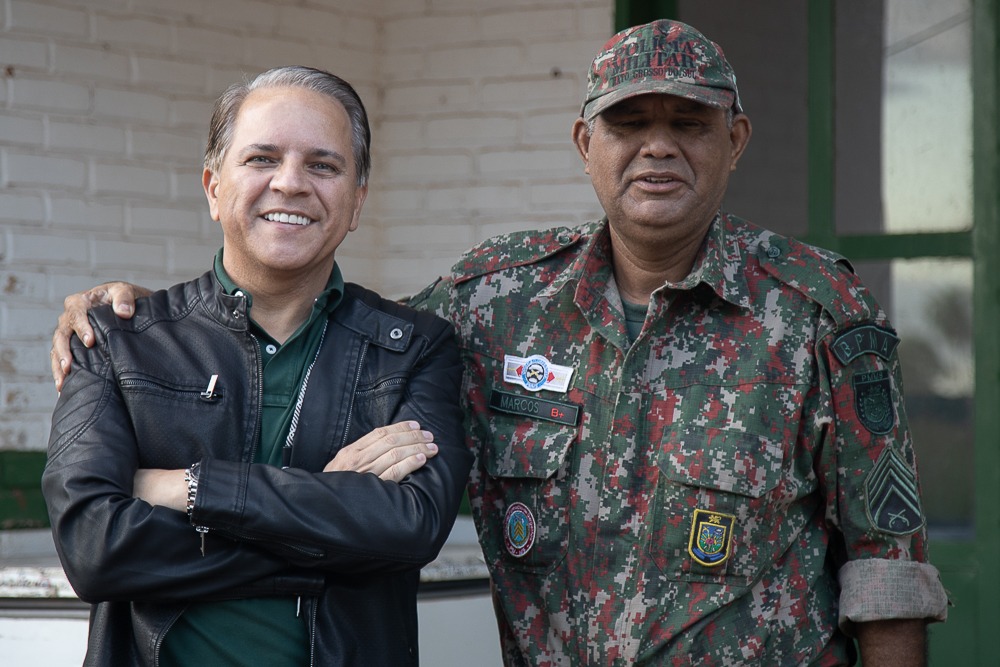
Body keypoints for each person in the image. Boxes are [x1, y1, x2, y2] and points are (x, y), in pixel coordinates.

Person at [51, 20, 948, 666]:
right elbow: (306, 307)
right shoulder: (496, 300)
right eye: (631, 125)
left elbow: (887, 566)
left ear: (736, 140)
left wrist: (186, 489)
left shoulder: (818, 312)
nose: (658, 149)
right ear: (584, 143)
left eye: (690, 124)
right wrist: (128, 310)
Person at [42, 65, 472, 666]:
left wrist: (188, 489)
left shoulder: (414, 348)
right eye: (262, 159)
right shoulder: (117, 340)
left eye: (323, 165)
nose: (291, 184)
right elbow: (94, 550)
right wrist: (334, 509)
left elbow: (412, 529)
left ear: (357, 201)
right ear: (213, 187)